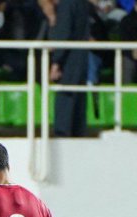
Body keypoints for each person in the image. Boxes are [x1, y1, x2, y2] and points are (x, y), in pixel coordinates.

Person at [48, 0, 91, 137]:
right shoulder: (83, 3)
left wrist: (56, 61)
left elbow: (64, 33)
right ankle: (78, 133)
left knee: (65, 95)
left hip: (69, 59)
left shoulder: (66, 4)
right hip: (82, 57)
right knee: (78, 98)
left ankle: (63, 134)